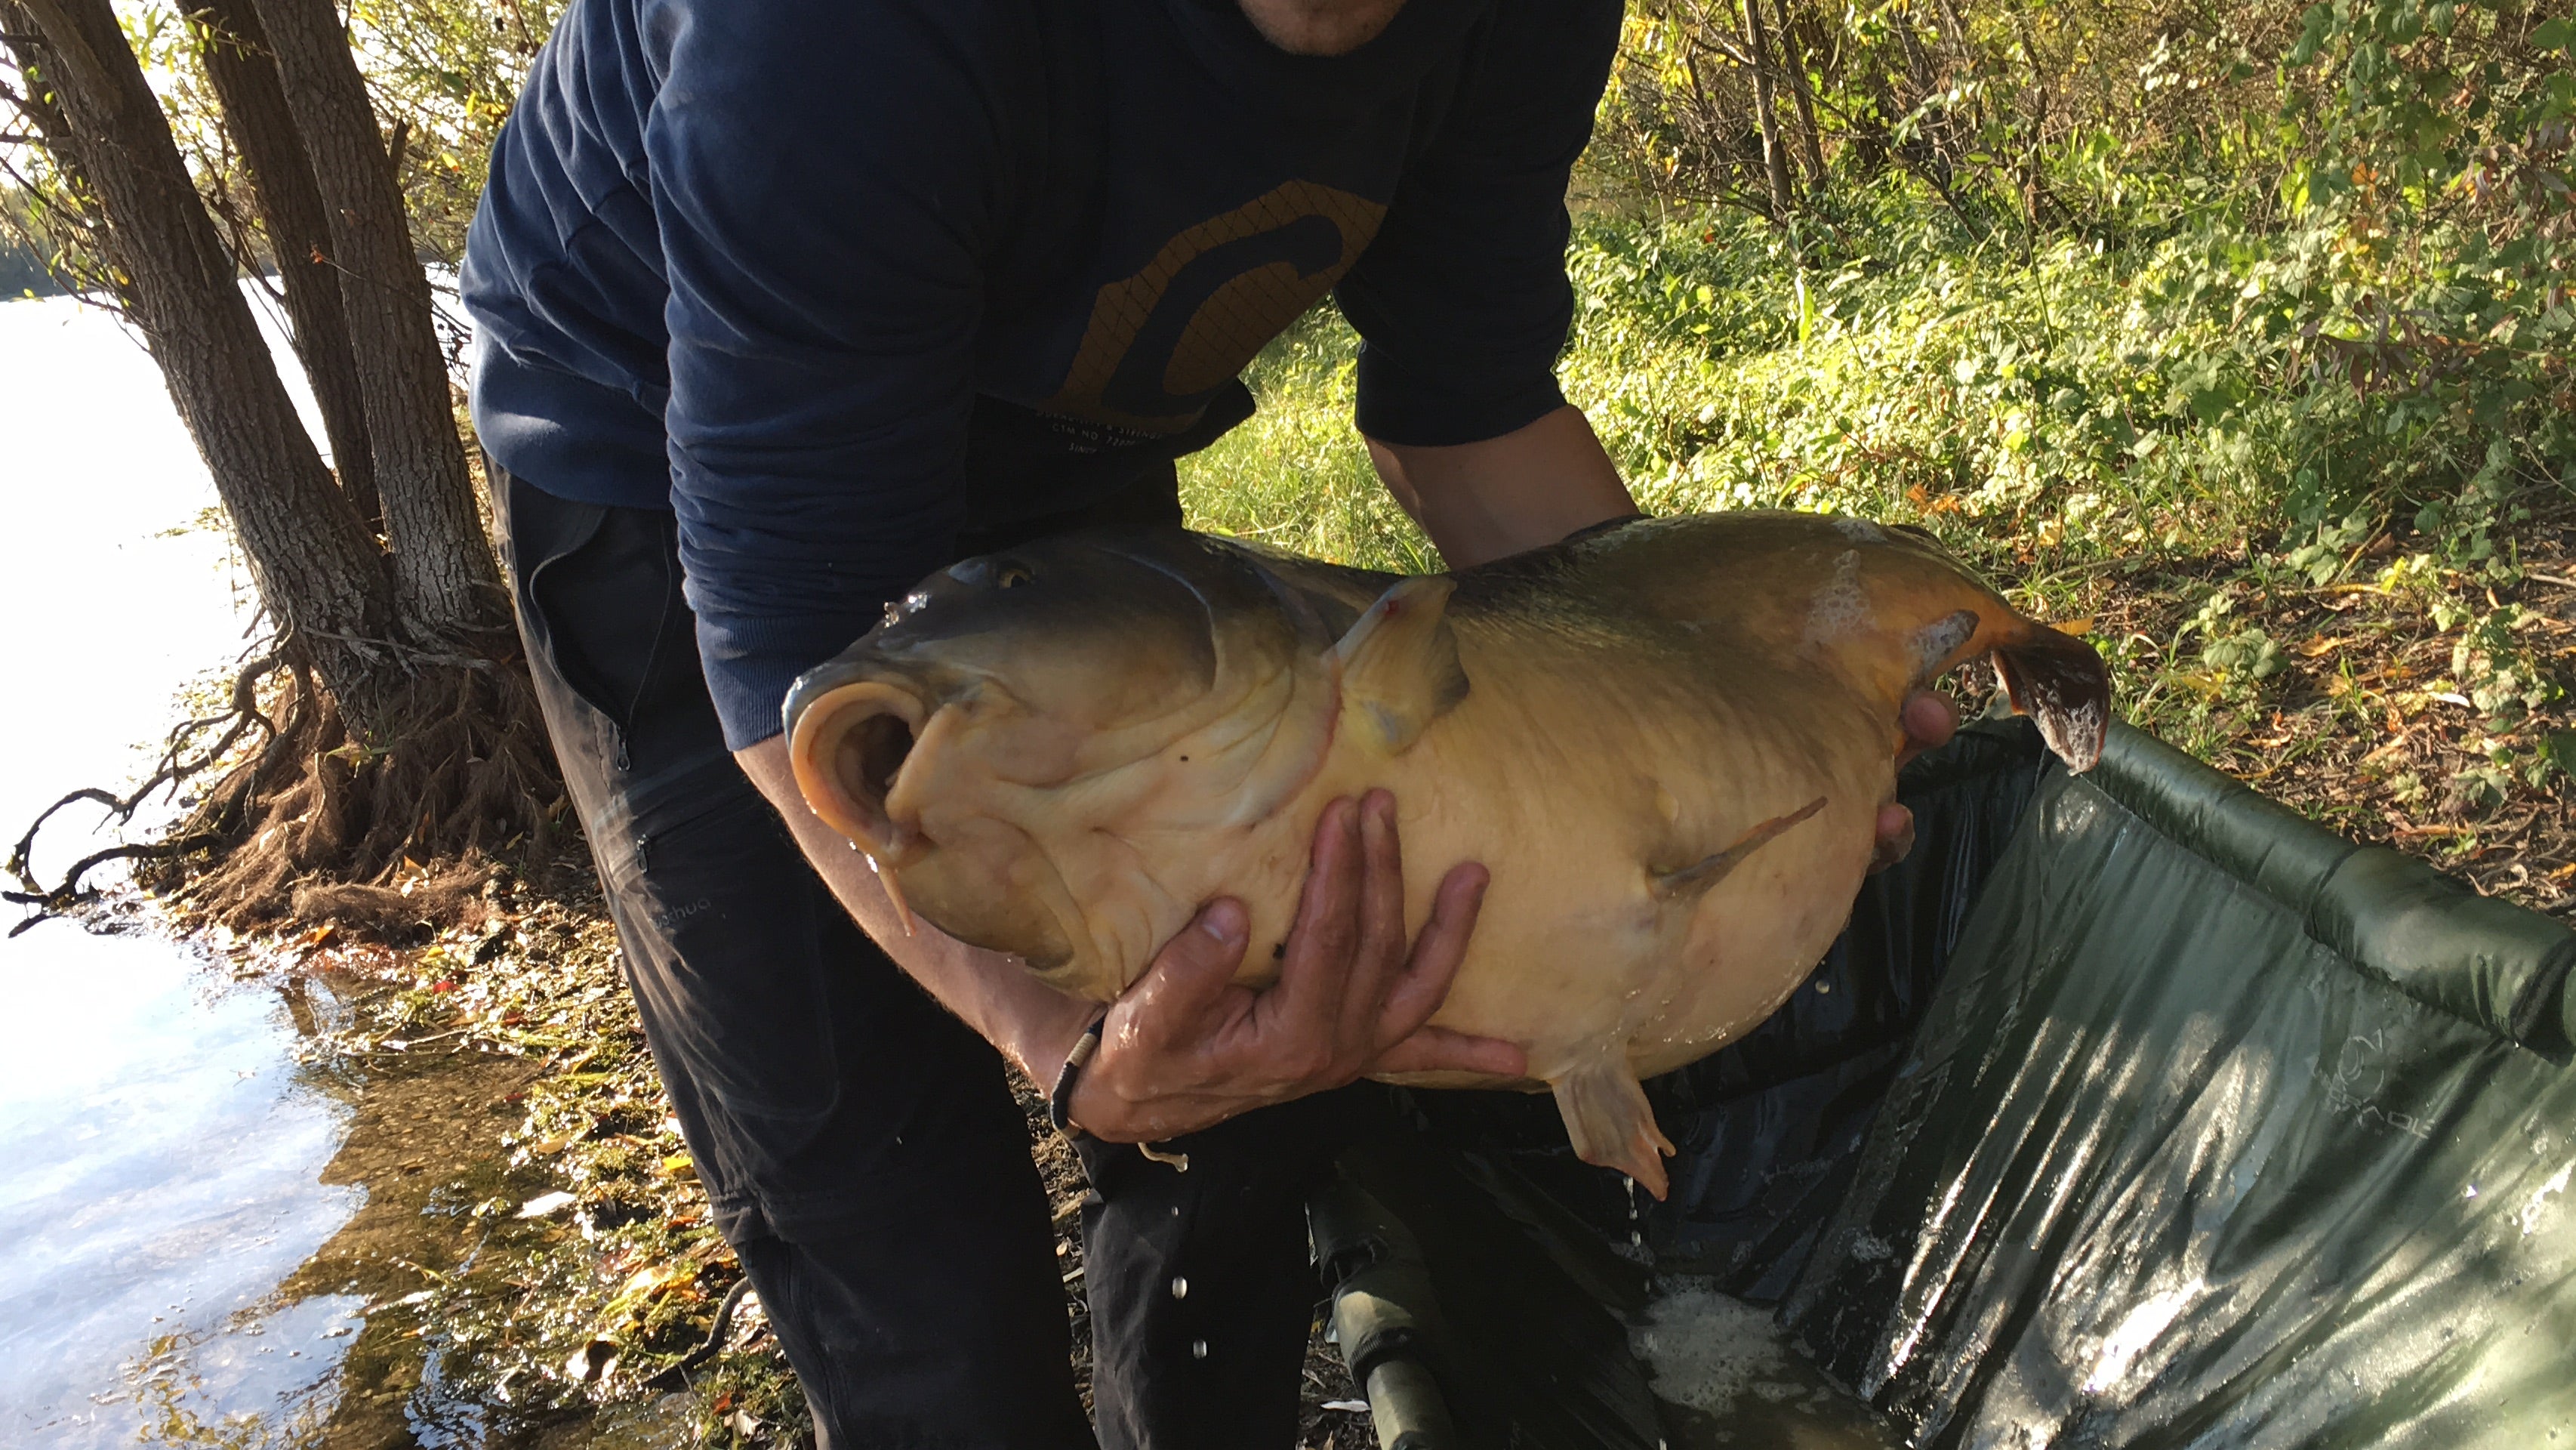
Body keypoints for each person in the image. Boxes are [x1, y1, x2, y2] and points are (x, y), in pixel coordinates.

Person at [461, 0, 1953, 1443]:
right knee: (905, 1237)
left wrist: (1739, 712)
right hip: (675, 468)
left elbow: (1466, 414)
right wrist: (1075, 1055)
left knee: (1249, 1095)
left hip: (1060, 467)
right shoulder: (833, 33)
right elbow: (788, 642)